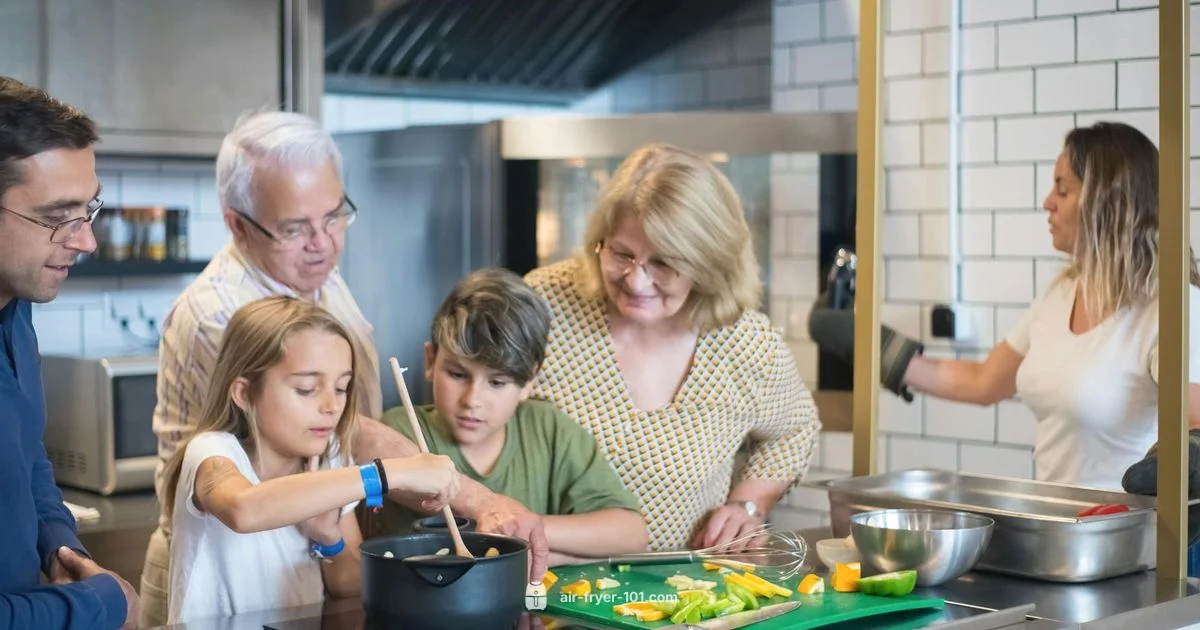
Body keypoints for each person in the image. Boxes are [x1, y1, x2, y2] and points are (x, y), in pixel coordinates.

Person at [140, 110, 546, 626]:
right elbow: (340, 440)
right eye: (296, 228)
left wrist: (335, 538)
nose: (325, 242)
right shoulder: (217, 316)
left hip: (304, 561)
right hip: (223, 577)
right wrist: (434, 486)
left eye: (335, 216)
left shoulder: (315, 274)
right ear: (237, 225)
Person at [809, 121, 1200, 492]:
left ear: (1110, 203)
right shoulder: (1061, 293)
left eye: (1062, 190)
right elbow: (984, 381)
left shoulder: (1172, 308)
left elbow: (1195, 427)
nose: (1048, 202)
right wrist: (869, 343)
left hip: (1130, 536)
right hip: (1063, 527)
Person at [523, 143, 822, 553]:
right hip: (547, 591)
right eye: (622, 254)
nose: (635, 280)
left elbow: (794, 430)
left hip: (680, 595)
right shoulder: (544, 305)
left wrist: (748, 505)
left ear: (708, 263)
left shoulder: (746, 345)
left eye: (663, 263)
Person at [160, 296, 460, 623]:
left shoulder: (329, 458)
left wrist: (328, 539)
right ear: (245, 393)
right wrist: (388, 473)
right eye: (306, 389)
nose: (332, 406)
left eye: (342, 387)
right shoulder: (213, 451)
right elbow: (245, 509)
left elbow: (349, 584)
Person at [375, 268, 648, 565]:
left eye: (497, 382)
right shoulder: (400, 432)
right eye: (457, 374)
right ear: (430, 361)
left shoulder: (548, 429)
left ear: (529, 380)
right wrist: (554, 553)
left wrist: (525, 528)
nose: (472, 401)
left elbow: (631, 533)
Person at [0, 77, 140, 629]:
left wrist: (62, 547)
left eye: (90, 209)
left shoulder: (16, 306)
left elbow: (26, 453)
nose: (87, 241)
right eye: (59, 217)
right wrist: (101, 605)